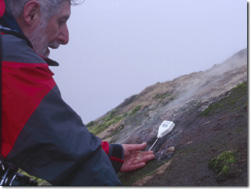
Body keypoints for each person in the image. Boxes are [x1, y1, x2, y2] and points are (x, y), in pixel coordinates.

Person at [0, 0, 155, 186]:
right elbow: (62, 149)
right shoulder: (10, 59)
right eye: (61, 21)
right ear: (32, 13)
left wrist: (107, 156)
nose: (65, 38)